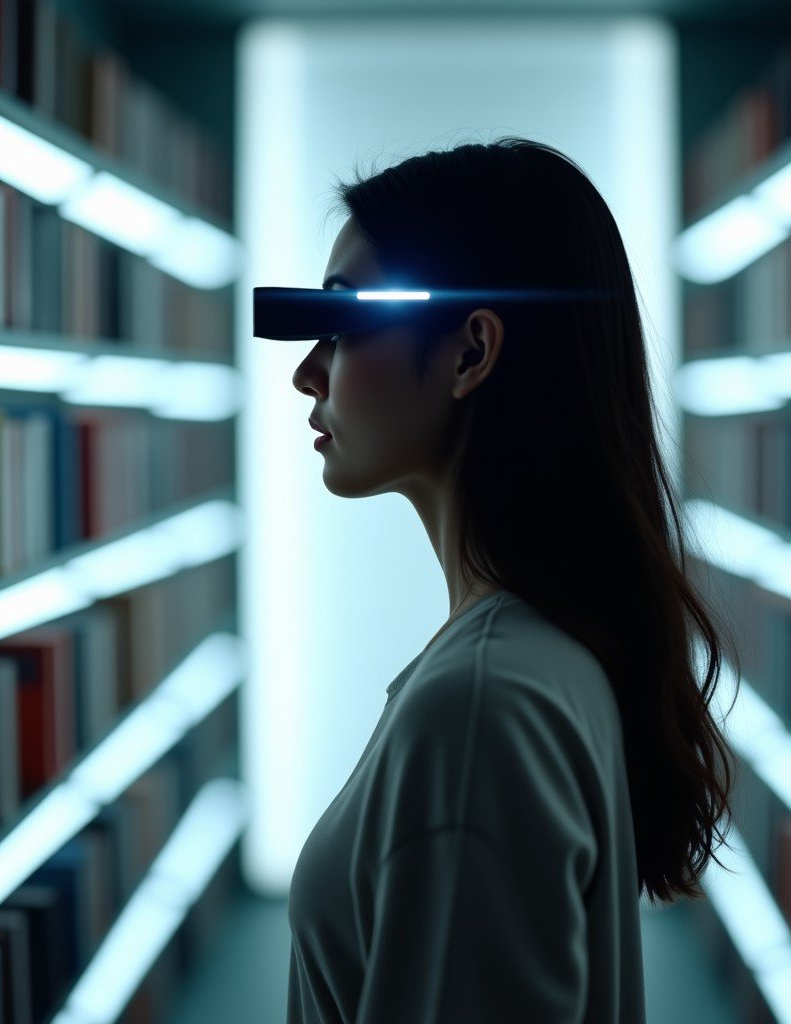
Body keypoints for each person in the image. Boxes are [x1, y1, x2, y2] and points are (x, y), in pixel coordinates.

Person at [286, 135, 744, 1024]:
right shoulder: (537, 658)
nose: (307, 369)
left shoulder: (478, 706)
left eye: (342, 319)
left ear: (470, 354)